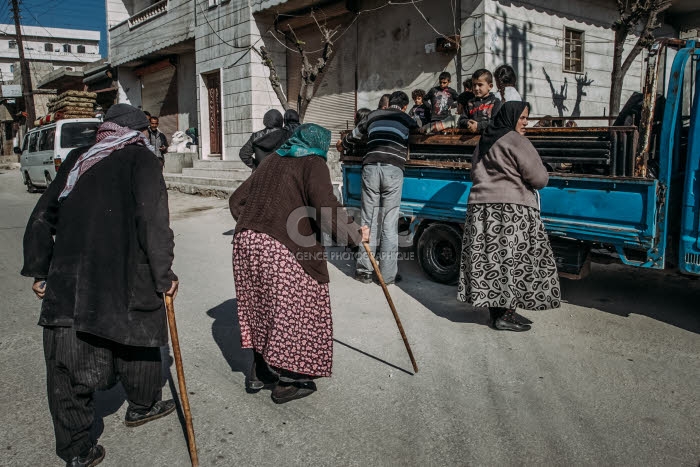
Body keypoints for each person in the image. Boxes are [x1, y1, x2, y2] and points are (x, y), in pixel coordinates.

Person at [21, 103, 179, 466]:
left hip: (70, 281)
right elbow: (154, 223)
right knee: (137, 339)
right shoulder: (142, 160)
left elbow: (43, 217)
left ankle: (77, 450)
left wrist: (40, 270)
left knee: (66, 363)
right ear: (139, 133)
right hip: (125, 277)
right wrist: (163, 277)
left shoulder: (80, 158)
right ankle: (142, 405)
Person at [229, 123, 369, 404]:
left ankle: (260, 373)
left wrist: (259, 225)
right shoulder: (313, 162)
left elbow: (236, 201)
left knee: (262, 306)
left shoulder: (273, 161)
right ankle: (289, 380)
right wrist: (354, 233)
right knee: (296, 308)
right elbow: (325, 207)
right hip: (277, 248)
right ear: (321, 146)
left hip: (245, 243)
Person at [457, 101, 560, 332]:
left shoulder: (484, 141)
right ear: (511, 117)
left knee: (492, 262)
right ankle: (505, 315)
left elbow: (474, 172)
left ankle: (499, 315)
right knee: (512, 262)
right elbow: (540, 179)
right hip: (510, 211)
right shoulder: (516, 141)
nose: (526, 123)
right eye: (522, 118)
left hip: (481, 210)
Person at [342, 91, 418, 284]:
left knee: (368, 221)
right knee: (389, 224)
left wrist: (343, 143)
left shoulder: (373, 115)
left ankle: (364, 271)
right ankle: (386, 275)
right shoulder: (406, 118)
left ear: (388, 103)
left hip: (370, 167)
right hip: (393, 169)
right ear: (404, 106)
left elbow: (352, 137)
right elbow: (419, 131)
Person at [460, 69, 502, 133]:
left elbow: (497, 122)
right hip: (471, 140)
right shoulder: (470, 103)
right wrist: (468, 123)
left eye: (480, 85)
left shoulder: (495, 102)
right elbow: (462, 120)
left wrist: (479, 126)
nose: (476, 88)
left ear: (490, 86)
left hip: (489, 139)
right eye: (474, 85)